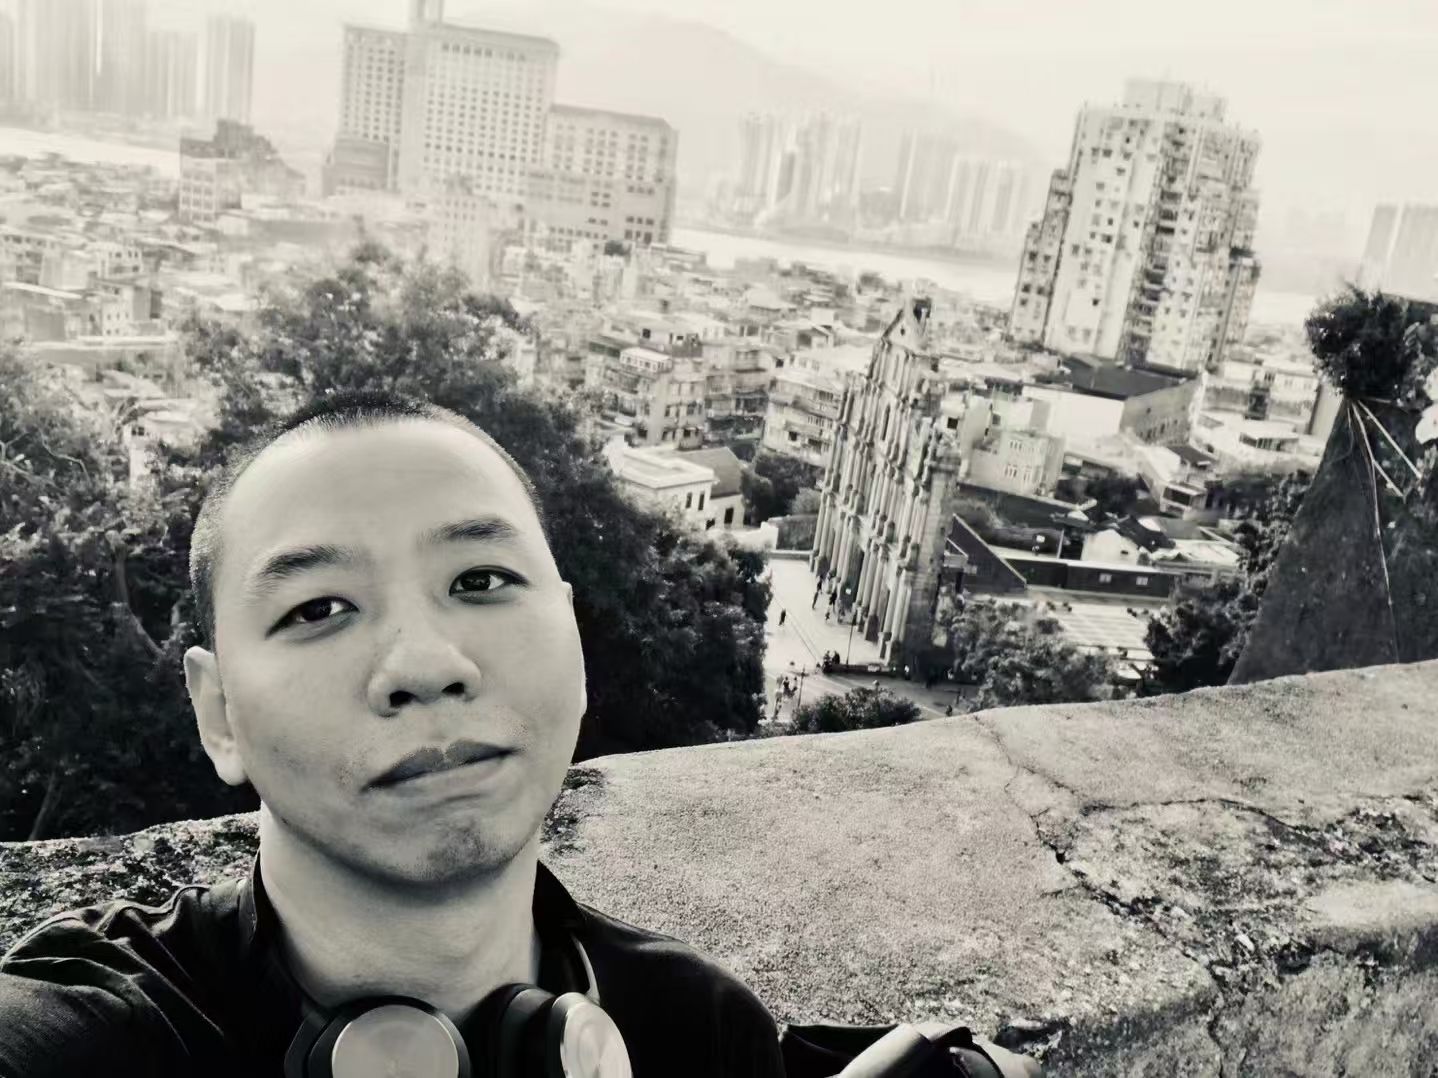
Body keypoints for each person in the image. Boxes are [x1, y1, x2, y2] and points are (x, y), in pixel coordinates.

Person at [0, 392, 784, 1077]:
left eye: (480, 579)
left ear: (575, 644)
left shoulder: (704, 1031)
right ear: (220, 714)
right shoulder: (98, 1036)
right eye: (317, 609)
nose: (426, 665)